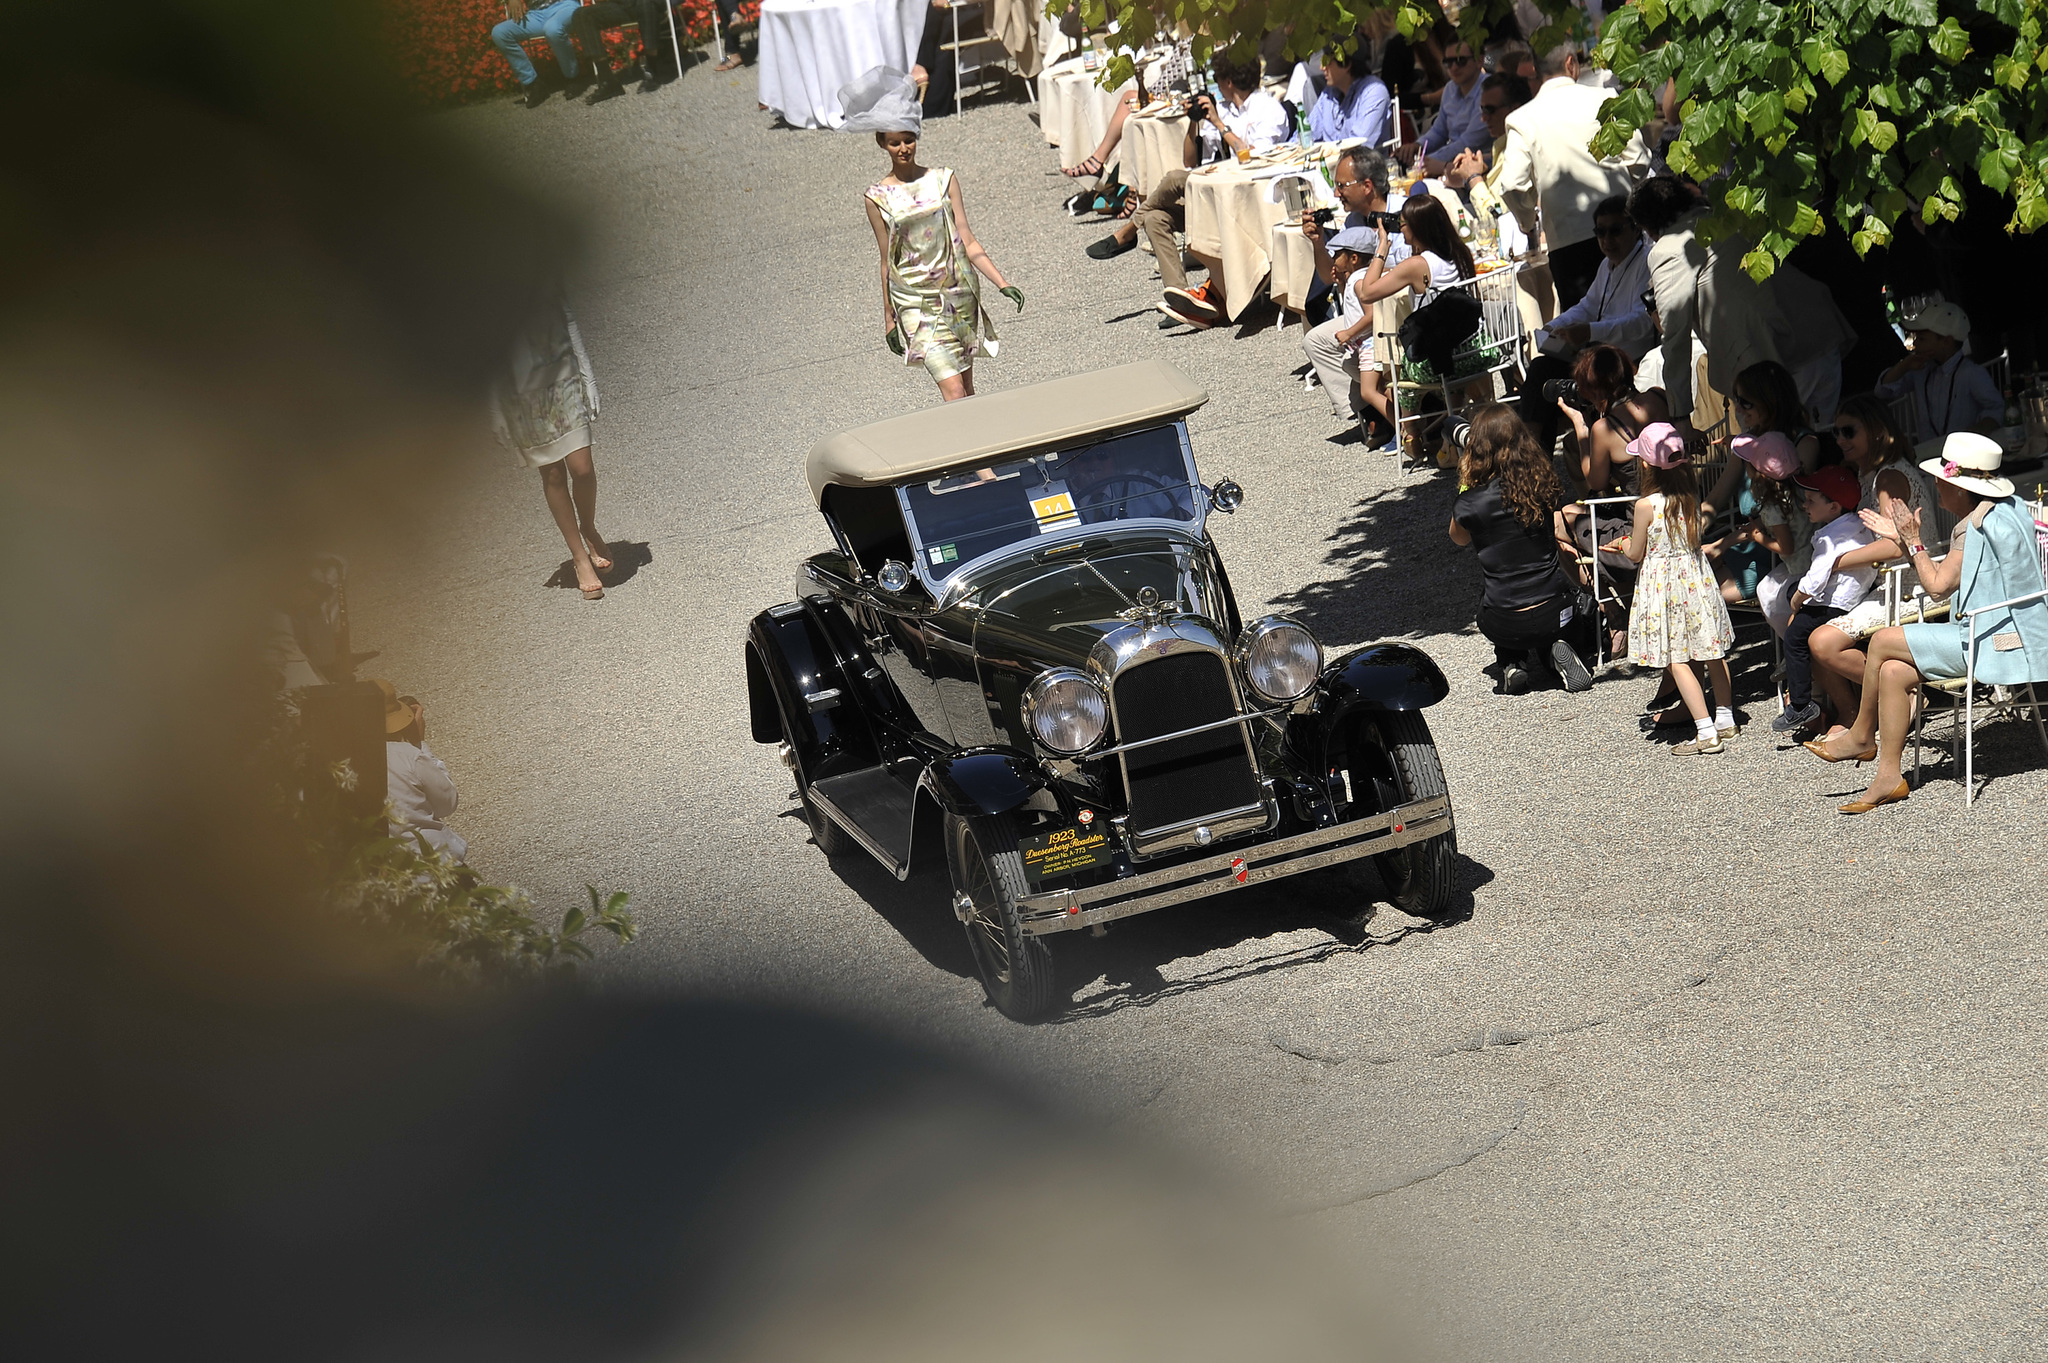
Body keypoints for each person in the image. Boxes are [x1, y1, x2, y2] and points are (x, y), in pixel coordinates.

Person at [1804, 433, 2048, 812]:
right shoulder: (2006, 509)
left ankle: (1862, 734)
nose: (1935, 485)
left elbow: (1935, 587)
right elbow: (1951, 572)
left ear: (1958, 486)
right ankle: (1888, 777)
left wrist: (1911, 540)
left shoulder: (1974, 526)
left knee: (1883, 640)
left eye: (1940, 479)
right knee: (1894, 672)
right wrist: (1906, 541)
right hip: (2014, 630)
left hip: (1991, 640)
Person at [845, 68, 1022, 401]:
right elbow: (886, 261)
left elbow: (967, 239)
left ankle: (981, 450)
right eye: (894, 142)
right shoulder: (876, 197)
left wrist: (1002, 283)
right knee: (953, 389)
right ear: (881, 142)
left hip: (958, 293)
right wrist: (888, 319)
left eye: (908, 139)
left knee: (967, 388)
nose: (903, 148)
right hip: (915, 303)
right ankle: (966, 450)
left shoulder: (943, 179)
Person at [1631, 175, 1856, 435]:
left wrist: (1681, 415)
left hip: (1775, 366)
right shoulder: (1726, 218)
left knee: (1781, 458)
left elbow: (1674, 335)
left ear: (1647, 225)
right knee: (1821, 447)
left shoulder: (1668, 249)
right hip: (1817, 339)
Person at [1805, 396, 1943, 718]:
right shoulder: (1871, 476)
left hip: (1908, 585)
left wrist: (1833, 563)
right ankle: (1851, 716)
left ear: (1876, 432)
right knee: (1806, 627)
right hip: (1883, 581)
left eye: (1848, 431)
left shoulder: (1889, 479)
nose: (1839, 440)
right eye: (1835, 432)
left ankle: (1904, 692)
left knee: (1823, 642)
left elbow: (1896, 546)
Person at [1607, 423, 1737, 753]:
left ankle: (1705, 732)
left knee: (1676, 659)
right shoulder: (1689, 497)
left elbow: (1637, 553)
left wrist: (1622, 544)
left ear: (1647, 464)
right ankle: (1725, 718)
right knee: (1711, 651)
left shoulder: (1645, 505)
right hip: (1695, 578)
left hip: (1664, 585)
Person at [1448, 404, 1594, 695]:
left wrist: (1467, 484)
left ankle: (1512, 662)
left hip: (1504, 621)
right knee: (1548, 617)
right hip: (1557, 610)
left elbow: (1458, 538)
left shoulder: (1469, 503)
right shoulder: (1540, 486)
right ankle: (1555, 652)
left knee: (1491, 597)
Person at [1492, 44, 1650, 309]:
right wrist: (1626, 197)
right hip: (1622, 228)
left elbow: (1512, 185)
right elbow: (1638, 160)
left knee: (1584, 332)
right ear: (1570, 64)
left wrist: (1528, 221)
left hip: (1567, 242)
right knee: (1637, 316)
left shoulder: (1522, 118)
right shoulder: (1605, 98)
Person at [491, 301, 613, 600]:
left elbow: (567, 316)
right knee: (554, 474)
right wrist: (494, 408)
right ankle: (580, 558)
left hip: (563, 378)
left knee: (582, 468)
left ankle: (588, 527)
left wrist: (589, 378)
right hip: (522, 392)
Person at [1515, 195, 1653, 455]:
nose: (1607, 240)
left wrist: (1589, 331)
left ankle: (1532, 456)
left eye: (1615, 231)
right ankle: (1533, 453)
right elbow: (1588, 305)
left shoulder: (1645, 261)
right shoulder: (1607, 264)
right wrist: (1554, 325)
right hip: (1603, 355)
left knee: (1547, 373)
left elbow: (1642, 322)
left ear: (1635, 228)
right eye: (1600, 232)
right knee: (1541, 370)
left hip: (1629, 360)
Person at [1554, 345, 1667, 660]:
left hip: (1638, 532)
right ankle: (1618, 611)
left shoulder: (1605, 428)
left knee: (1557, 524)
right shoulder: (1658, 398)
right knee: (1570, 514)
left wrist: (1581, 426)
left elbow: (1595, 482)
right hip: (1673, 510)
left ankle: (1614, 612)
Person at [1348, 194, 1477, 460]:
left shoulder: (1418, 265)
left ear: (1417, 228)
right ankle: (1452, 421)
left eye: (1403, 224)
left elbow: (1367, 293)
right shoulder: (1460, 252)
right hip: (1473, 349)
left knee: (1398, 368)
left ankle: (1411, 434)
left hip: (1443, 362)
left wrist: (1382, 244)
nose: (1401, 228)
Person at [1770, 465, 1877, 737]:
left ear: (1833, 507)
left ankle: (1801, 704)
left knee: (1794, 636)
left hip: (1835, 602)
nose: (1804, 505)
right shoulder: (1857, 524)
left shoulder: (1827, 538)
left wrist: (1797, 600)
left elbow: (1815, 581)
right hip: (1855, 595)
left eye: (1811, 500)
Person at [1302, 226, 1395, 446]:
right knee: (1378, 388)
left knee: (1370, 390)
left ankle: (1402, 429)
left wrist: (1349, 333)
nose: (1333, 260)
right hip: (1365, 344)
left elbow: (1370, 314)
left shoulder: (1360, 280)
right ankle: (1397, 425)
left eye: (1337, 255)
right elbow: (1353, 307)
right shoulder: (1356, 278)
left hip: (1368, 343)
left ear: (1353, 258)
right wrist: (1342, 283)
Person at [1872, 300, 2003, 444]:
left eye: (1921, 339)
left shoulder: (1971, 373)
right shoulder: (1921, 370)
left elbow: (1997, 408)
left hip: (1963, 450)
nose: (1915, 344)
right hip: (1930, 450)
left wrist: (1977, 430)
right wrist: (1904, 366)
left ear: (1946, 341)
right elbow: (1882, 391)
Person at [378, 681, 468, 864]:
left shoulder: (343, 763)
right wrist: (420, 745)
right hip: (434, 863)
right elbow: (447, 803)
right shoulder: (409, 756)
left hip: (387, 870)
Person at [1405, 36, 1489, 173]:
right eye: (1448, 62)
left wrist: (1424, 162)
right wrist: (1417, 146)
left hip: (1479, 167)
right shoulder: (1450, 89)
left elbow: (1468, 143)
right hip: (1448, 163)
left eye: (1460, 61)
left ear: (1479, 60)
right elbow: (1439, 131)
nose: (1454, 68)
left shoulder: (1488, 91)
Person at [572, 0, 681, 101]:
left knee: (645, 3)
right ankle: (607, 81)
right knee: (583, 15)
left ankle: (652, 71)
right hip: (624, 5)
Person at [491, 0, 585, 107]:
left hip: (564, 6)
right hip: (536, 14)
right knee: (500, 33)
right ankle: (533, 84)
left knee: (552, 29)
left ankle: (573, 78)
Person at [1307, 46, 1391, 148]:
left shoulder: (1374, 91)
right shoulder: (1328, 93)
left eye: (1327, 61)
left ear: (1346, 64)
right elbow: (1306, 135)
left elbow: (1359, 146)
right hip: (1329, 160)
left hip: (1361, 162)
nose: (1322, 67)